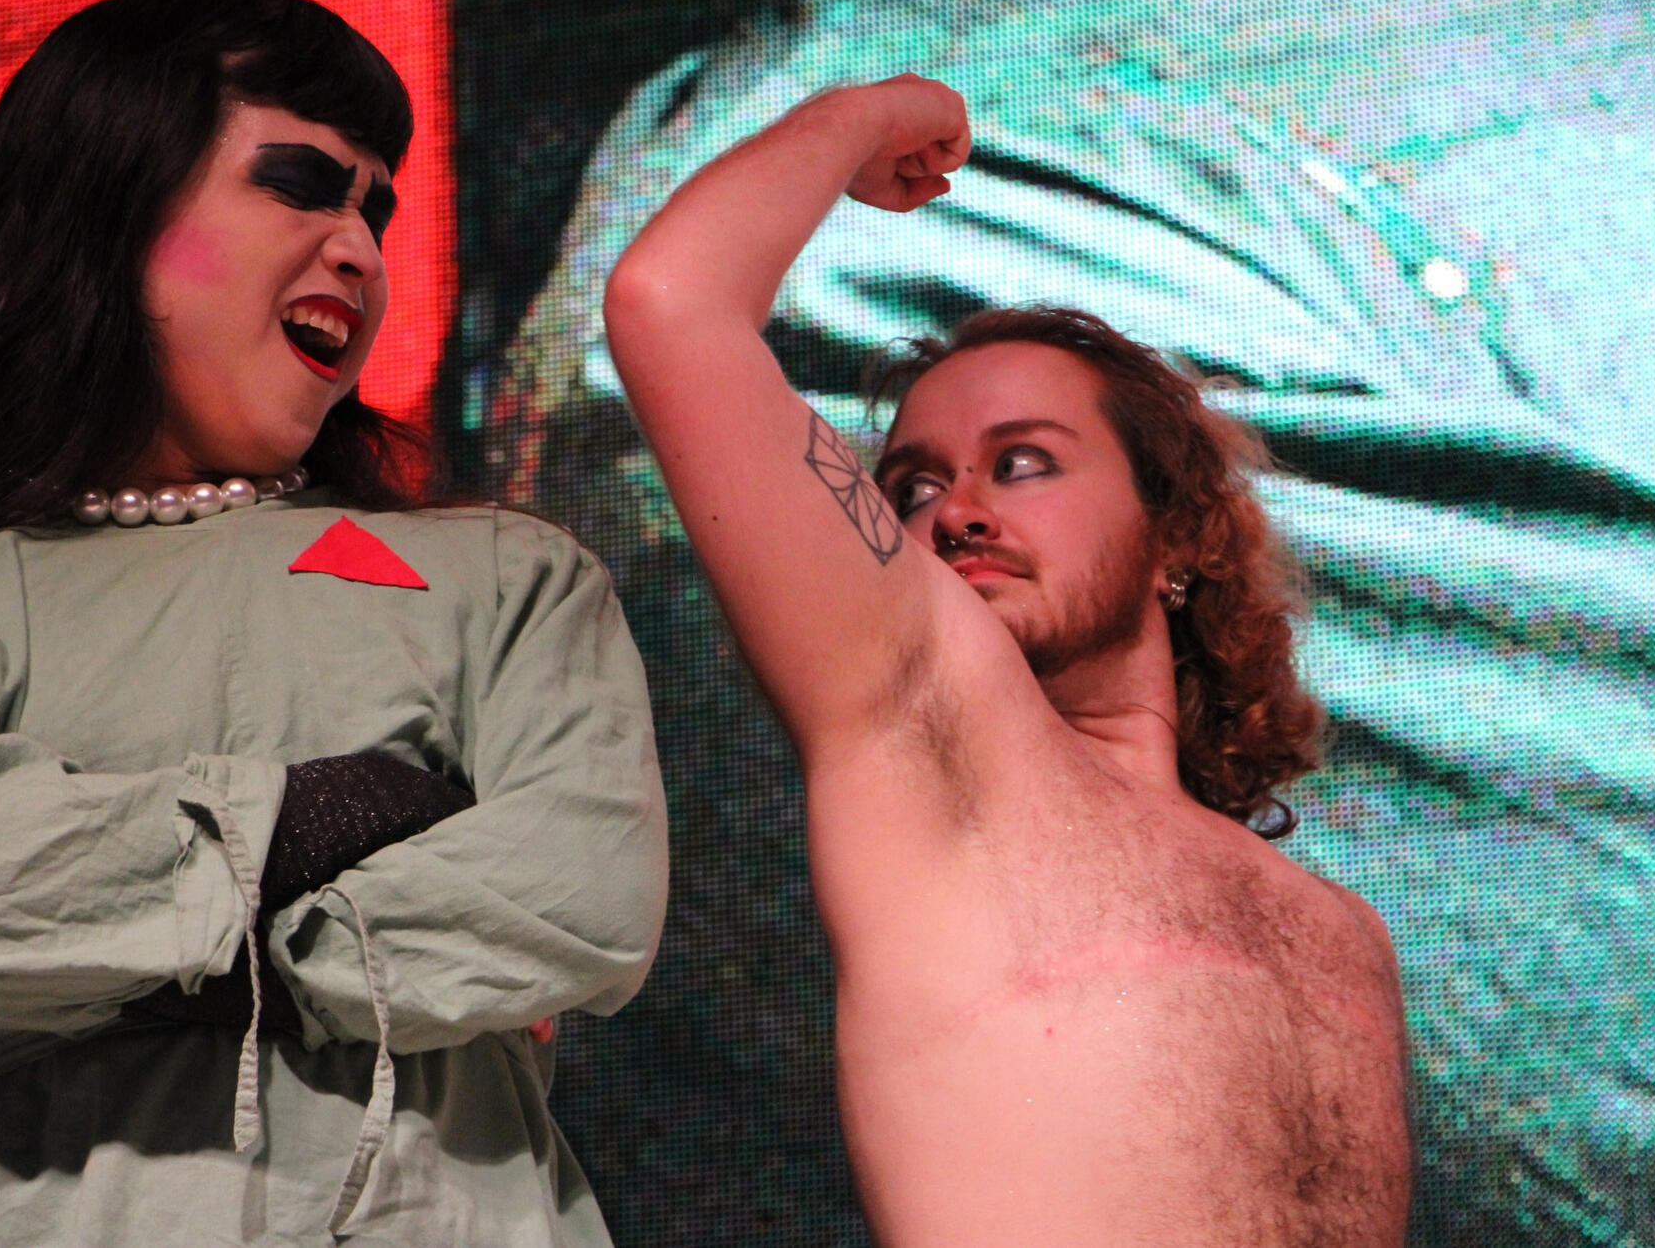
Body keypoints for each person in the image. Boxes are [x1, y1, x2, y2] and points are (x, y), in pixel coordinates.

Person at [0, 0, 667, 1247]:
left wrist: (75, 861)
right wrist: (363, 810)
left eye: (374, 210)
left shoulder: (510, 577)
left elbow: (583, 893)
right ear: (106, 206)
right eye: (300, 186)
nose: (359, 249)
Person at [603, 74, 1410, 1244]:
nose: (957, 510)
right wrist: (870, 113)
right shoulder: (929, 729)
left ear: (1174, 535)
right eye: (911, 486)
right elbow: (670, 302)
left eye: (1022, 462)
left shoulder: (1337, 928)